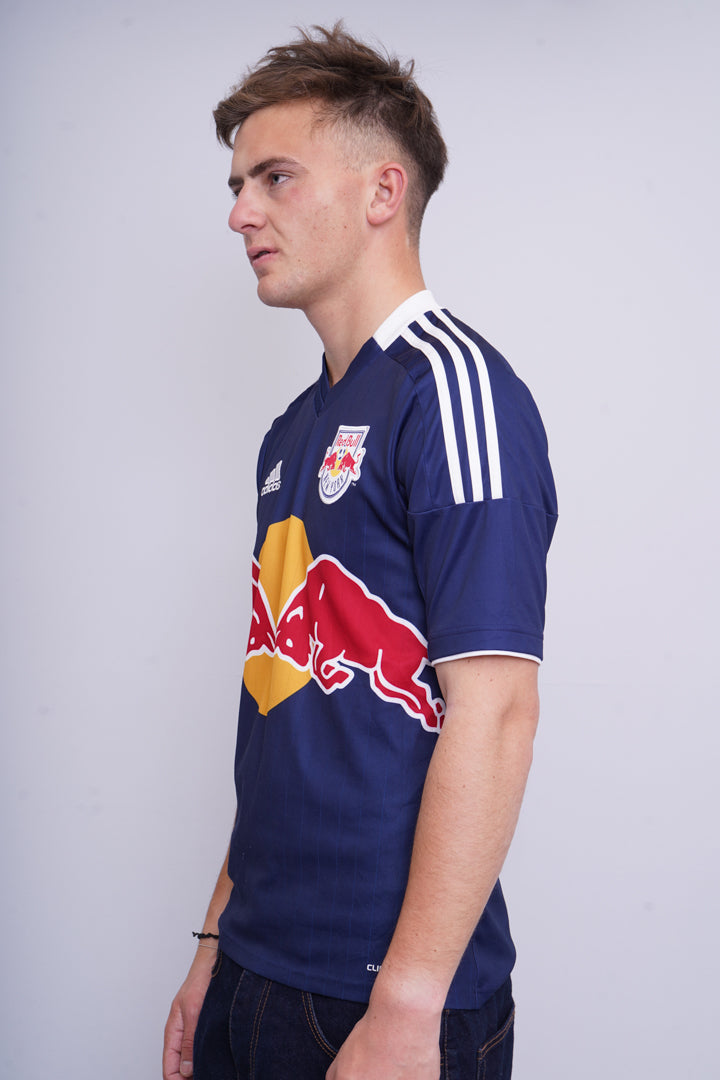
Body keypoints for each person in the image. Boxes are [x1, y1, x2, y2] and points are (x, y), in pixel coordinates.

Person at [163, 23, 557, 1080]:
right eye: (238, 184)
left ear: (384, 191)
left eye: (275, 177)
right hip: (253, 970)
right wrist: (213, 946)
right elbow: (281, 703)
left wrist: (409, 1003)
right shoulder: (291, 433)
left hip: (378, 999)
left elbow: (497, 710)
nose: (240, 213)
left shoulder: (454, 392)